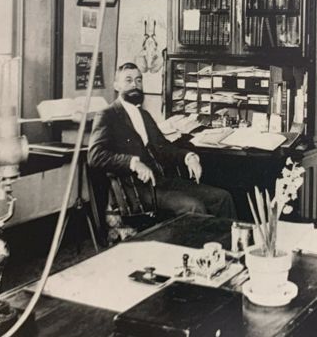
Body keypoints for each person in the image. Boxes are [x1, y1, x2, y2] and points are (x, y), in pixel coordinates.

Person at [88, 62, 236, 220]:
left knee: (222, 197)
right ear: (116, 85)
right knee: (193, 206)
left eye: (139, 80)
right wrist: (132, 163)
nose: (135, 85)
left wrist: (188, 157)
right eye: (128, 80)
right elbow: (94, 155)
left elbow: (163, 147)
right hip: (137, 189)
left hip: (162, 181)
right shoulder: (107, 115)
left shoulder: (144, 115)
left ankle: (228, 244)